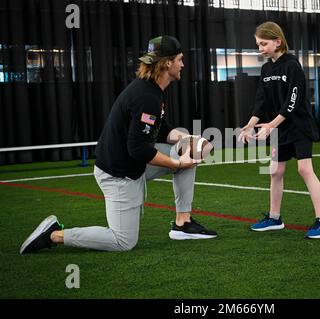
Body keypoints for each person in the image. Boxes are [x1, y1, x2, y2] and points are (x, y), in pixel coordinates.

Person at [20, 35, 217, 254]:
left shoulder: (151, 88)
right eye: (180, 59)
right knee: (123, 241)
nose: (183, 64)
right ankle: (54, 234)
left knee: (191, 149)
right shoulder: (146, 96)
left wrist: (186, 140)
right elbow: (139, 148)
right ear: (167, 63)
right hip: (118, 173)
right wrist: (177, 163)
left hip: (132, 163)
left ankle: (183, 223)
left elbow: (160, 129)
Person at [238, 21, 320, 239]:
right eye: (258, 44)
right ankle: (274, 218)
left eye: (263, 44)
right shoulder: (266, 69)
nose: (260, 48)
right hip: (280, 129)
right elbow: (261, 101)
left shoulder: (292, 65)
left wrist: (270, 125)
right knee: (275, 171)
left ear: (277, 41)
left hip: (299, 126)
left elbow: (292, 102)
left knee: (304, 170)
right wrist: (252, 123)